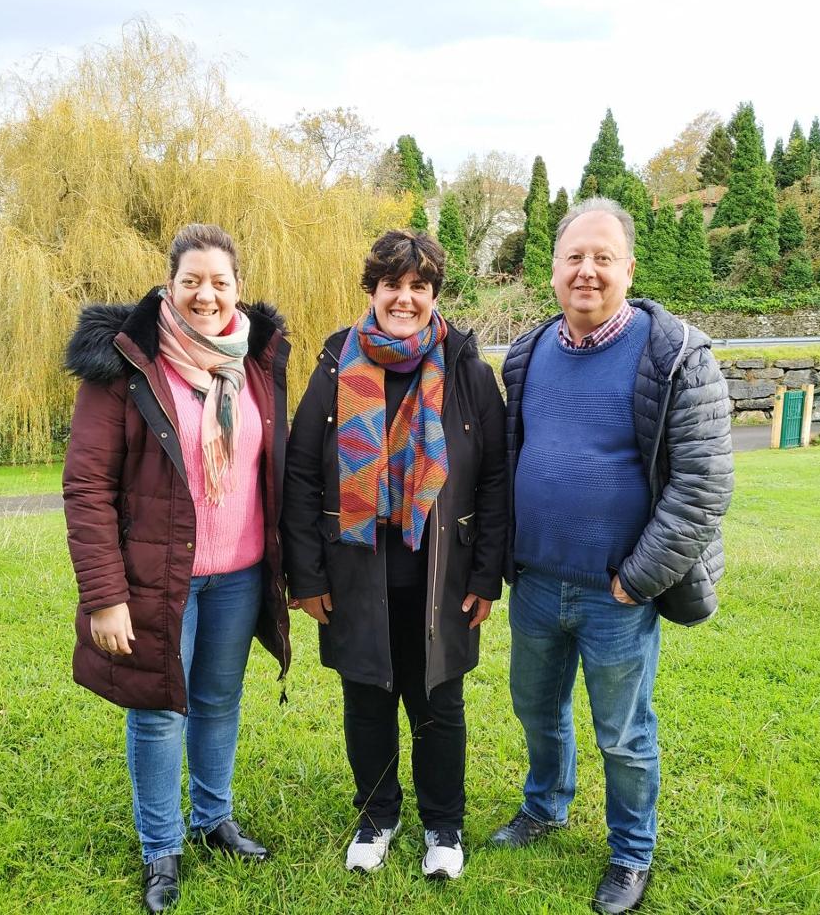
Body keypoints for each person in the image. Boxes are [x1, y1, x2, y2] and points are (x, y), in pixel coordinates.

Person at [491, 198, 734, 914]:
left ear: (629, 267)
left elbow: (702, 485)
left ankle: (631, 852)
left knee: (624, 734)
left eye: (603, 257)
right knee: (537, 711)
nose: (587, 271)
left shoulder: (678, 355)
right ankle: (544, 806)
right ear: (555, 269)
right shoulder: (527, 354)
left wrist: (636, 581)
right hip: (536, 581)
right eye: (574, 257)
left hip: (617, 593)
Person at [62, 223, 291, 912]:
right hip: (157, 580)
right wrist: (105, 596)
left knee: (218, 702)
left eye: (220, 281)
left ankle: (213, 818)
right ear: (169, 286)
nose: (206, 294)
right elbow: (87, 487)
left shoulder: (255, 362)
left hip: (241, 573)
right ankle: (160, 847)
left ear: (238, 290)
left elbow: (272, 468)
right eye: (192, 280)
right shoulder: (126, 366)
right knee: (159, 709)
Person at [282, 230, 506, 880]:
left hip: (444, 572)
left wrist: (488, 575)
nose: (404, 298)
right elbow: (301, 475)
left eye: (419, 287)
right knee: (368, 698)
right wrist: (306, 575)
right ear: (373, 290)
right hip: (356, 570)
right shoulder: (335, 365)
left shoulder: (467, 369)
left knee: (440, 701)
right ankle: (377, 815)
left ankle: (444, 824)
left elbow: (494, 478)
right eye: (392, 286)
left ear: (434, 293)